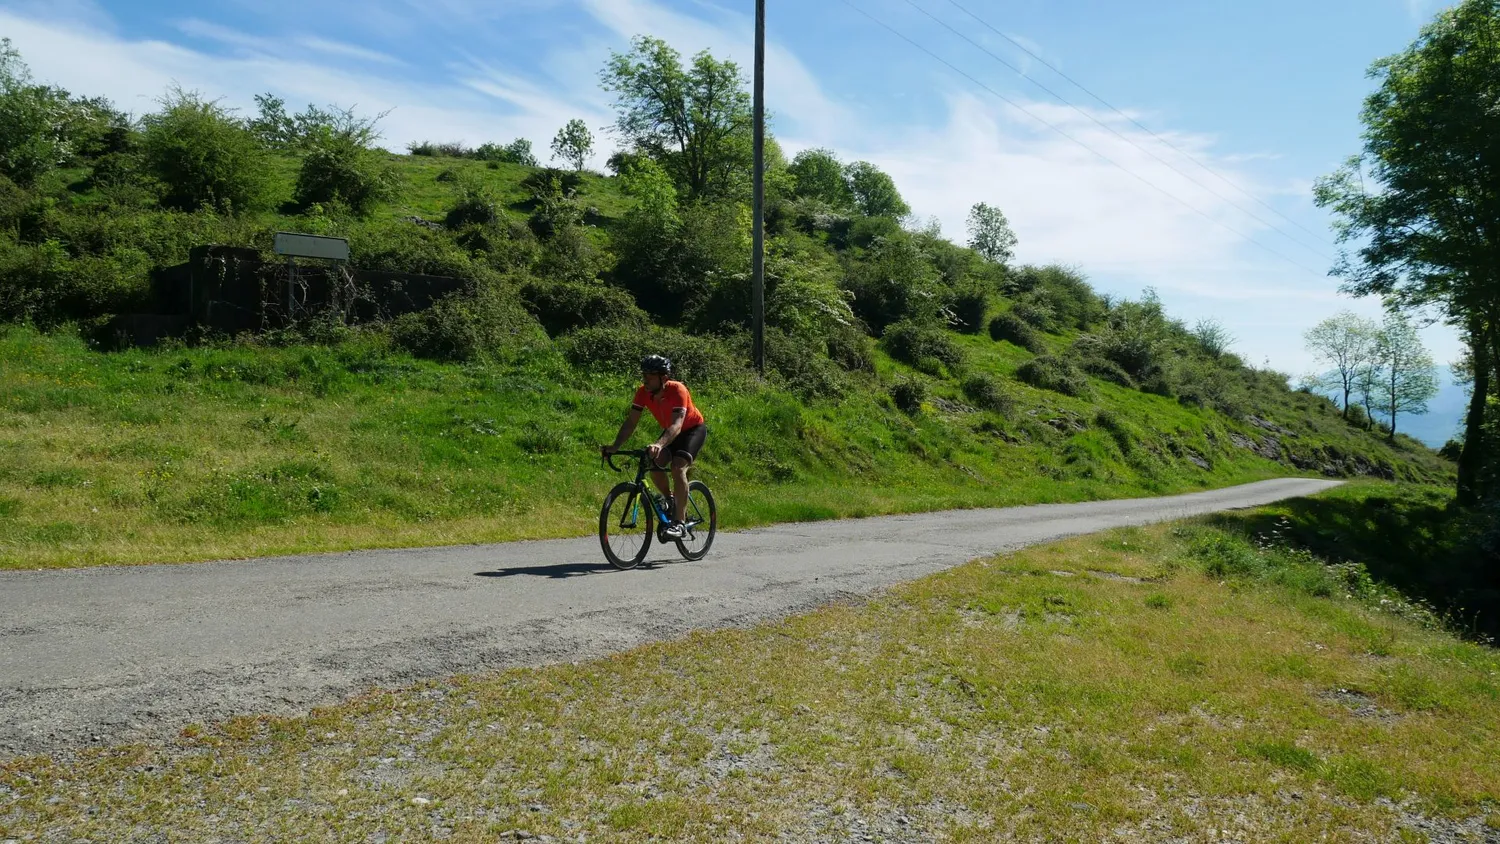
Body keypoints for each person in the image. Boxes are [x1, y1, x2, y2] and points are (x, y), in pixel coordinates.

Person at [601, 355, 707, 539]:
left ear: (664, 377)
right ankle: (670, 499)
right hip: (670, 432)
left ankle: (680, 523)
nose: (645, 381)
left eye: (650, 377)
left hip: (691, 430)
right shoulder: (642, 392)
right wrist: (615, 446)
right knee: (654, 462)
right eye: (644, 376)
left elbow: (677, 425)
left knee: (677, 467)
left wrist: (659, 444)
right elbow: (631, 422)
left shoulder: (678, 390)